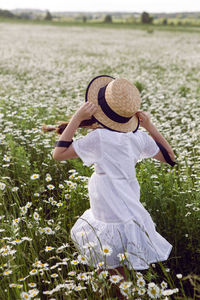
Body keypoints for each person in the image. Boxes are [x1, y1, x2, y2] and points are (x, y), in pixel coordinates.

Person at [52, 75, 175, 282]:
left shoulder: (99, 138)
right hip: (127, 199)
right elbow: (170, 158)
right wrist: (150, 127)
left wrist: (77, 118)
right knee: (118, 264)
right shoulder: (138, 138)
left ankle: (111, 292)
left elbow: (58, 154)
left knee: (106, 261)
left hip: (107, 202)